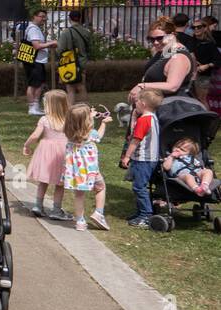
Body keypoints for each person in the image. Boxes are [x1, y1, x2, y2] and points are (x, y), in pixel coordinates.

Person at [21, 89, 72, 220]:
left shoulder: (44, 119)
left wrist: (27, 145)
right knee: (60, 183)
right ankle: (56, 210)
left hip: (45, 151)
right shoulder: (69, 119)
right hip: (63, 152)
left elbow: (35, 136)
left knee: (43, 180)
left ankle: (38, 205)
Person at [119, 89, 162, 227]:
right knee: (140, 186)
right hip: (152, 158)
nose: (135, 103)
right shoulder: (154, 117)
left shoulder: (143, 120)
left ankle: (145, 215)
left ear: (143, 103)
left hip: (143, 159)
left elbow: (135, 141)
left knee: (139, 187)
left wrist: (126, 156)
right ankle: (140, 212)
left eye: (136, 101)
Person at [64, 102, 110, 231]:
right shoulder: (91, 133)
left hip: (76, 171)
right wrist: (104, 123)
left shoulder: (69, 133)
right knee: (101, 187)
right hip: (90, 170)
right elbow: (99, 135)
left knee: (79, 195)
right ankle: (98, 213)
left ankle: (80, 222)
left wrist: (89, 115)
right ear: (87, 121)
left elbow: (80, 123)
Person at [131, 18, 196, 103]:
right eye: (151, 39)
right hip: (156, 105)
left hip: (171, 108)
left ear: (172, 35)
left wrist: (142, 86)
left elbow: (172, 86)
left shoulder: (179, 57)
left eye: (159, 38)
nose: (155, 42)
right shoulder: (163, 52)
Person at [55, 8, 94, 104]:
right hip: (83, 62)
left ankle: (70, 109)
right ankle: (85, 107)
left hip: (69, 63)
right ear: (80, 19)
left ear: (69, 19)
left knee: (70, 88)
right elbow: (90, 48)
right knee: (81, 86)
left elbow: (60, 49)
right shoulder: (86, 32)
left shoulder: (66, 32)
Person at [23, 9, 57, 115]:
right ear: (34, 16)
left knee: (39, 84)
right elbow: (36, 46)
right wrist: (51, 43)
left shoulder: (35, 28)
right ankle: (32, 107)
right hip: (34, 61)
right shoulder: (33, 29)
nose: (44, 19)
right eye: (41, 16)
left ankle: (35, 106)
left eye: (45, 17)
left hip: (38, 60)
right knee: (34, 84)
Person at [191, 17, 218, 102]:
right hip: (189, 75)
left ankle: (206, 115)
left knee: (201, 99)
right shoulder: (191, 41)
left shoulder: (210, 44)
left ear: (205, 28)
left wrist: (206, 65)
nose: (196, 29)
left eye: (199, 27)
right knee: (193, 99)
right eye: (193, 27)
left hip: (203, 76)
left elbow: (218, 60)